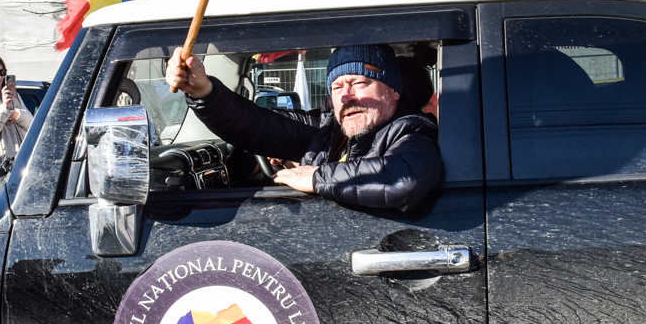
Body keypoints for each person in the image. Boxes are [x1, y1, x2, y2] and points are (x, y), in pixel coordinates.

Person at [165, 43, 443, 212]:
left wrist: (318, 177)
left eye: (359, 83)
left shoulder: (411, 130)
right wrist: (203, 91)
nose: (347, 95)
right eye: (336, 87)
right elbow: (258, 125)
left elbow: (405, 178)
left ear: (393, 91)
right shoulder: (328, 129)